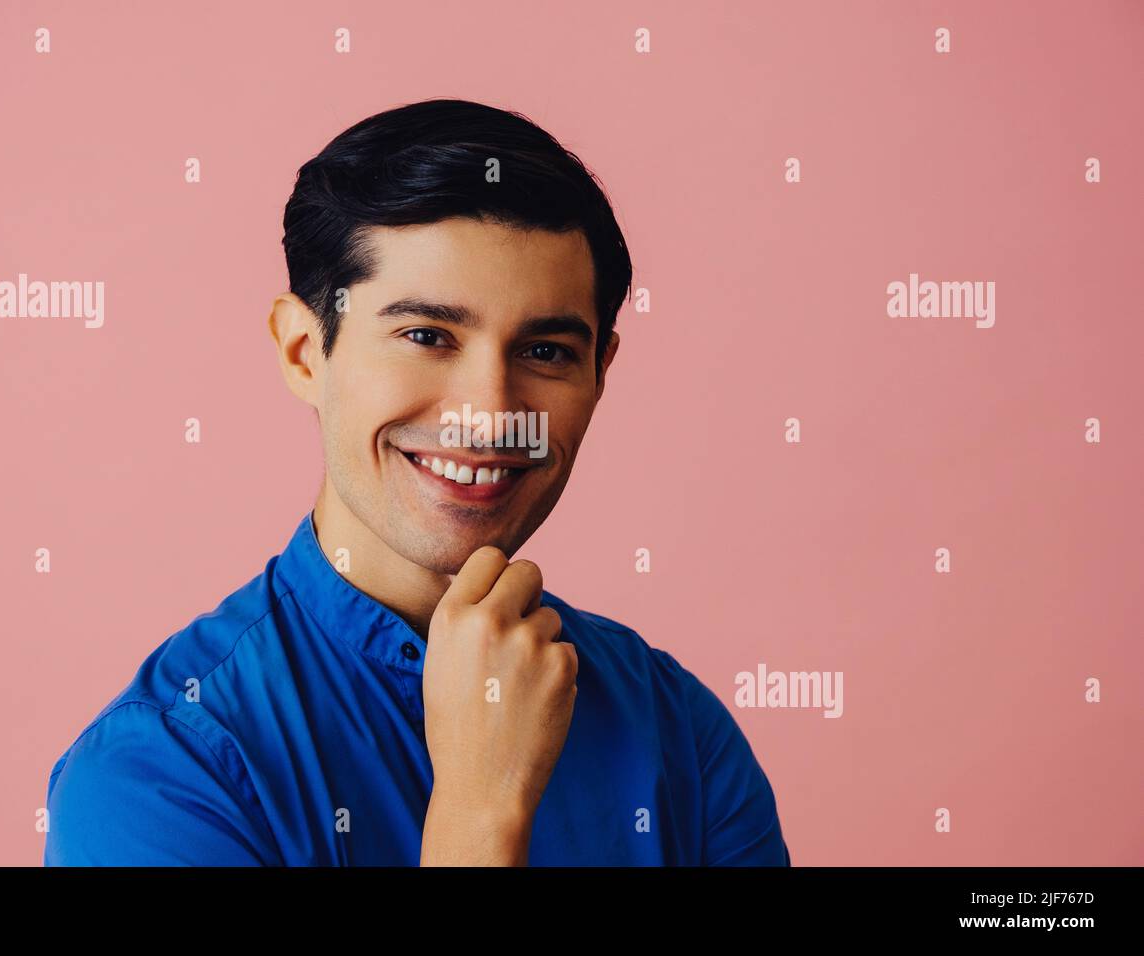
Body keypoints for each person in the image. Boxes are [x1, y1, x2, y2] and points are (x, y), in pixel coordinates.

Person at [43, 98, 790, 866]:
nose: (490, 416)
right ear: (305, 352)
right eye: (427, 336)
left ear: (602, 373)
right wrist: (480, 807)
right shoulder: (158, 776)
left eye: (546, 352)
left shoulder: (679, 734)